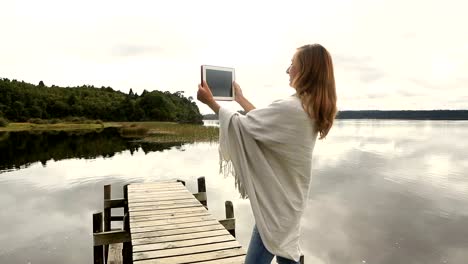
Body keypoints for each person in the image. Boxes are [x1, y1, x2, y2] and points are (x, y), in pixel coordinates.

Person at [197, 44, 337, 264]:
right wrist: (240, 99)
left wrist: (211, 103)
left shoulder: (292, 108)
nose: (288, 70)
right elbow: (261, 123)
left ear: (305, 70)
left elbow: (242, 125)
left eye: (292, 64)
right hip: (286, 201)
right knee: (284, 251)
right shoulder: (309, 107)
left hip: (276, 207)